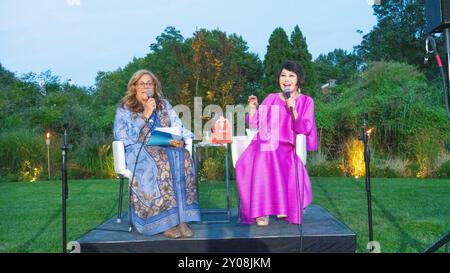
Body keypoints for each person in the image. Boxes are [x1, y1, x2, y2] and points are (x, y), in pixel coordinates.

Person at [113, 69, 200, 239]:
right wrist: (145, 114)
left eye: (149, 83)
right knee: (161, 161)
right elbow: (123, 136)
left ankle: (181, 218)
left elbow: (176, 125)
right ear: (134, 86)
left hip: (164, 145)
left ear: (154, 86)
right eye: (142, 83)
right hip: (137, 149)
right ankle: (166, 222)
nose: (146, 86)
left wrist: (181, 138)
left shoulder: (163, 104)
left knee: (184, 157)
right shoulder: (125, 107)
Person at [235, 61, 318, 227]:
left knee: (268, 152)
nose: (286, 79)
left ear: (298, 79)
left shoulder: (306, 101)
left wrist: (293, 109)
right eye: (283, 75)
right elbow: (254, 124)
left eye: (291, 75)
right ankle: (260, 211)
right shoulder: (271, 98)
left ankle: (280, 207)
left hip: (286, 145)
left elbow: (304, 128)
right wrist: (252, 108)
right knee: (262, 152)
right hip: (263, 143)